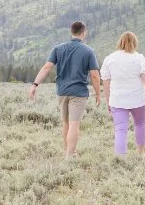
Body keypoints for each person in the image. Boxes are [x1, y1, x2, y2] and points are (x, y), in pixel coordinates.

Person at [29, 21, 101, 158]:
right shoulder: (88, 51)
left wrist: (35, 85)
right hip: (79, 93)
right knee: (74, 124)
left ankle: (69, 151)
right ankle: (69, 157)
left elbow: (46, 68)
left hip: (62, 91)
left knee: (66, 123)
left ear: (71, 32)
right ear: (84, 33)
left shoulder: (58, 49)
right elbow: (94, 75)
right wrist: (98, 94)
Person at [99, 31, 145, 156]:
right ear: (135, 43)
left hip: (117, 100)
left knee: (120, 130)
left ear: (120, 42)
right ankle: (140, 154)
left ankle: (121, 158)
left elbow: (105, 83)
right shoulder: (139, 58)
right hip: (138, 99)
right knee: (140, 125)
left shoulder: (110, 59)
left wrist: (108, 101)